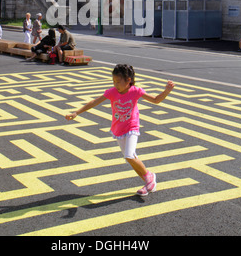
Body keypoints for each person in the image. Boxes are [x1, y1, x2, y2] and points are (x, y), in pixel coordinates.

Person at [65, 64, 175, 196]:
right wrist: (77, 112)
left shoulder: (136, 91)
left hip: (132, 127)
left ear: (128, 80)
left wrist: (167, 91)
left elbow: (156, 100)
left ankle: (149, 177)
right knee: (130, 157)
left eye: (118, 82)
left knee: (129, 155)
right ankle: (148, 182)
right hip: (118, 129)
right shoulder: (112, 92)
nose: (115, 84)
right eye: (114, 81)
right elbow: (94, 102)